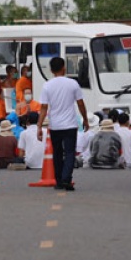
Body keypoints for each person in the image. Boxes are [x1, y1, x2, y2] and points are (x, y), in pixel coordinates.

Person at [37, 57, 89, 191]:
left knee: (57, 153)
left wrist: (39, 126)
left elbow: (43, 108)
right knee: (70, 152)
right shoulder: (72, 84)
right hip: (70, 124)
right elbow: (80, 104)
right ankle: (66, 179)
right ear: (64, 67)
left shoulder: (47, 85)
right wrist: (85, 119)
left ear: (51, 70)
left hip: (55, 125)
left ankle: (59, 180)